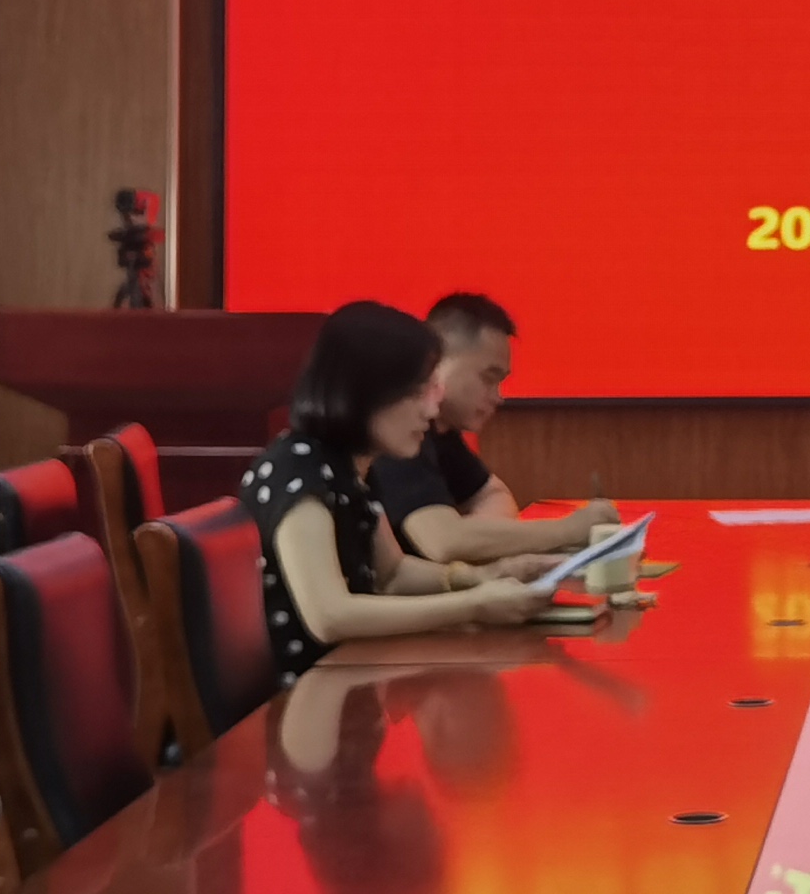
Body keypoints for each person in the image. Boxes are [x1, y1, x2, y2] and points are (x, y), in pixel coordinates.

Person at [232, 301, 549, 683]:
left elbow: (394, 574)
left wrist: (484, 576)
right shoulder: (299, 468)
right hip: (300, 695)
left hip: (351, 675)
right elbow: (329, 616)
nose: (430, 411)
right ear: (365, 393)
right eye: (416, 394)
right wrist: (473, 605)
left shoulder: (353, 467)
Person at [371, 291, 622, 570]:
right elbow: (443, 542)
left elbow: (494, 495)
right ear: (436, 362)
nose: (498, 397)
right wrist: (569, 530)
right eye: (488, 379)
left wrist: (478, 540)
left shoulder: (441, 431)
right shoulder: (397, 428)